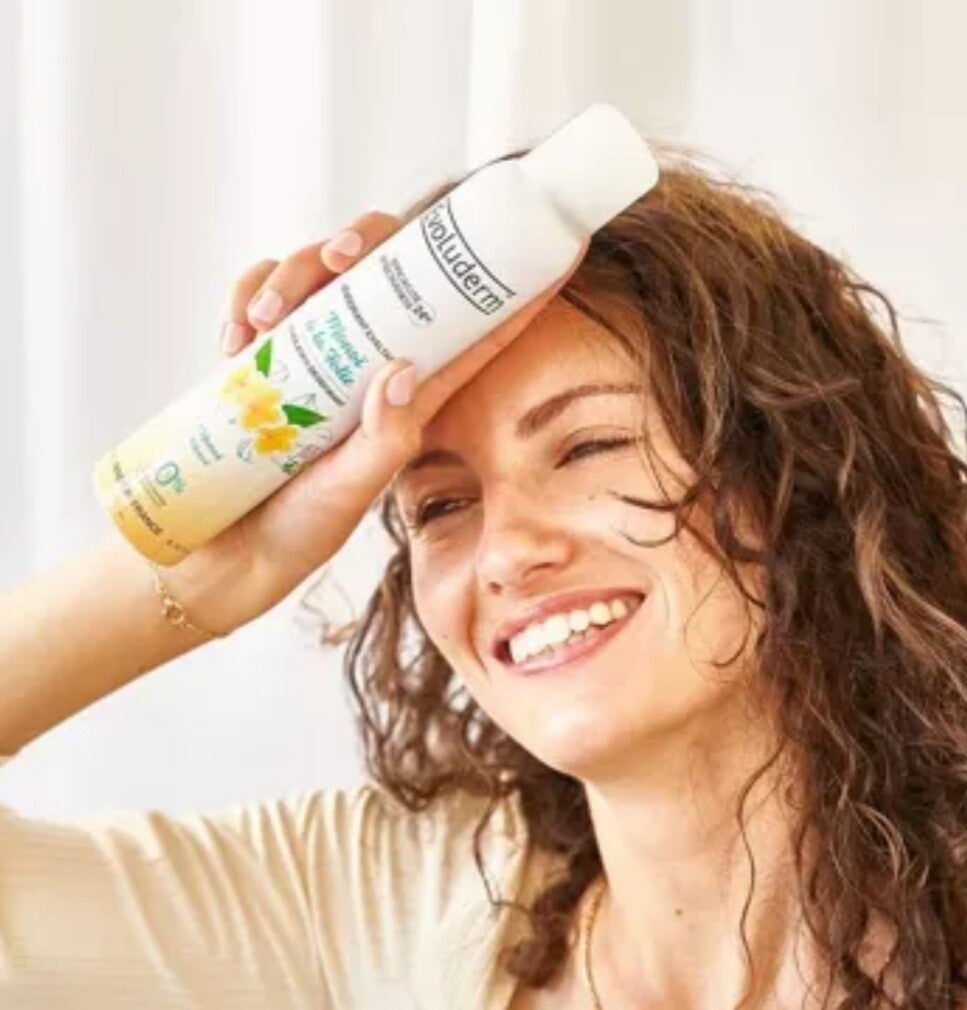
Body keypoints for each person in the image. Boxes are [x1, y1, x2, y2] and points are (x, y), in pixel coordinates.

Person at [0, 145, 963, 1010]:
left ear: (797, 473)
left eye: (586, 447)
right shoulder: (382, 904)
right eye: (441, 505)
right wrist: (214, 567)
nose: (505, 554)